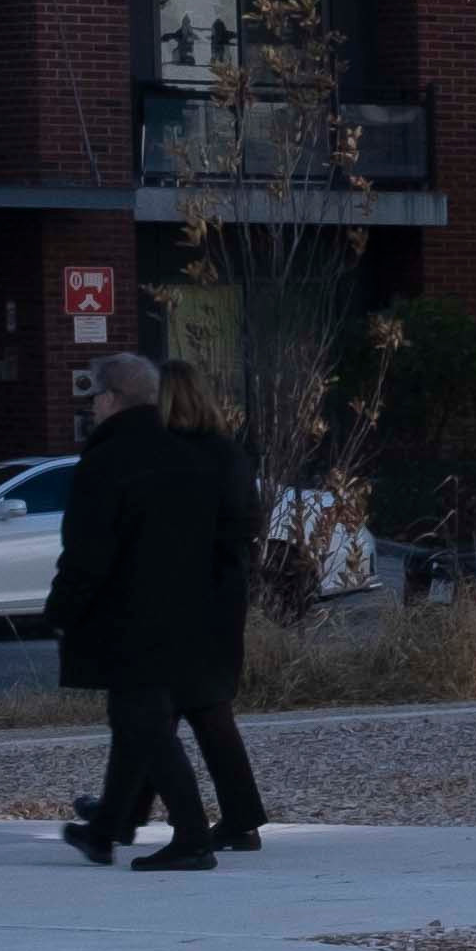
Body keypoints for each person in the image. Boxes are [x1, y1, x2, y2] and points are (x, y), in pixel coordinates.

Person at [45, 351, 241, 870]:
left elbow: (88, 551)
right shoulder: (188, 454)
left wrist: (62, 608)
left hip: (125, 617)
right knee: (137, 720)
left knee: (144, 722)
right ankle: (107, 830)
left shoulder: (107, 460)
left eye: (94, 397)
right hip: (187, 612)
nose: (92, 407)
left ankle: (193, 838)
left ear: (110, 399)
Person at [151, 359, 273, 852]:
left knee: (154, 711)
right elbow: (246, 523)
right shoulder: (231, 455)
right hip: (224, 596)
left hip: (182, 597)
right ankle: (240, 817)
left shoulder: (173, 456)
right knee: (206, 710)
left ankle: (123, 815)